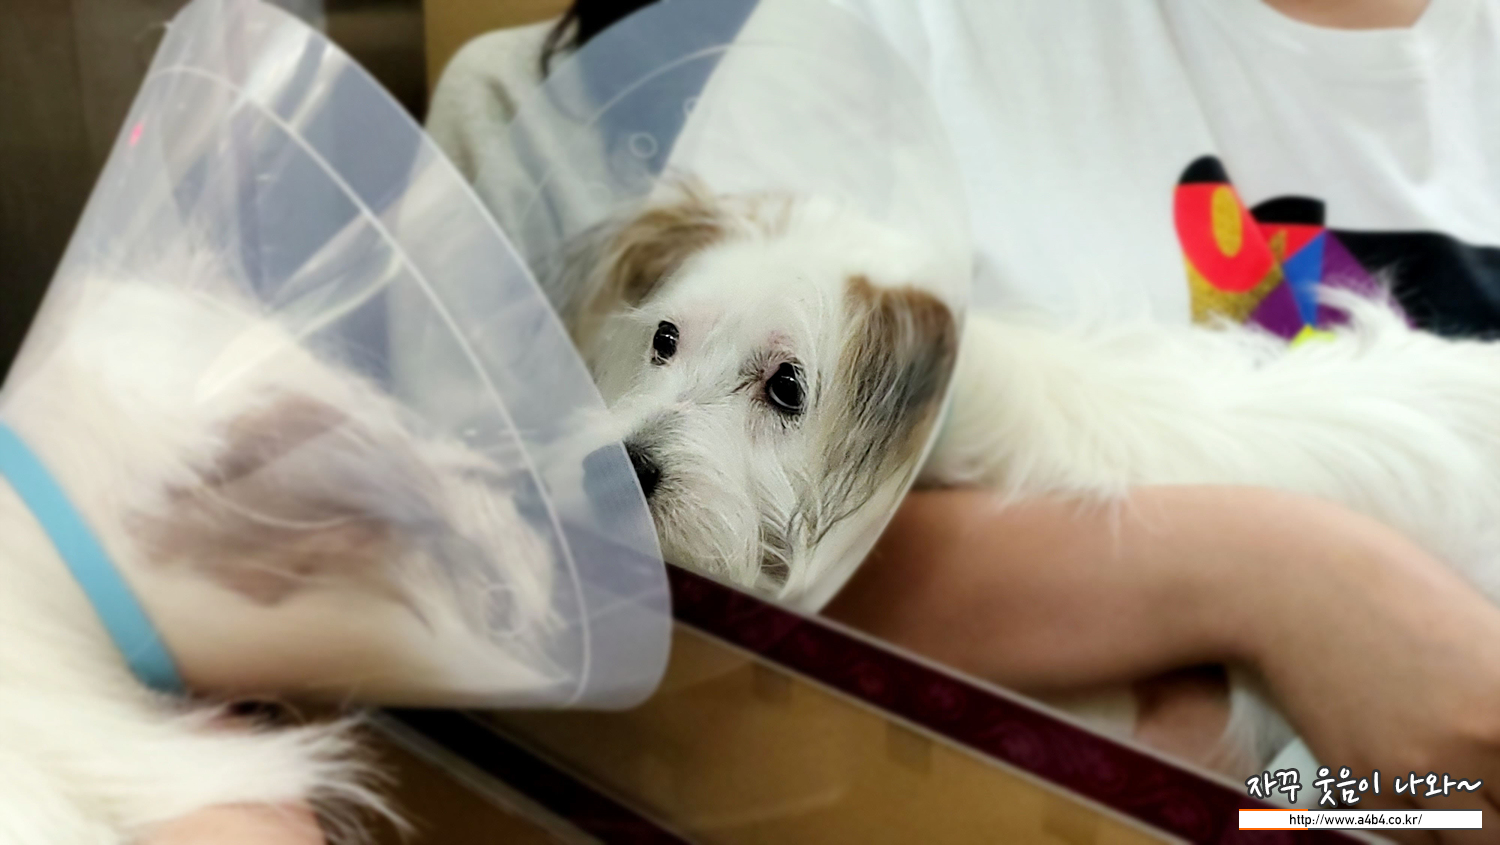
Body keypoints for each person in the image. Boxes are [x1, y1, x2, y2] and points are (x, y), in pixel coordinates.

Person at [428, 0, 1500, 833]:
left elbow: (1411, 792)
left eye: (781, 389)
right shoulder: (882, 38)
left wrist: (1295, 796)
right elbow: (691, 621)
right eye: (666, 347)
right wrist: (1279, 580)